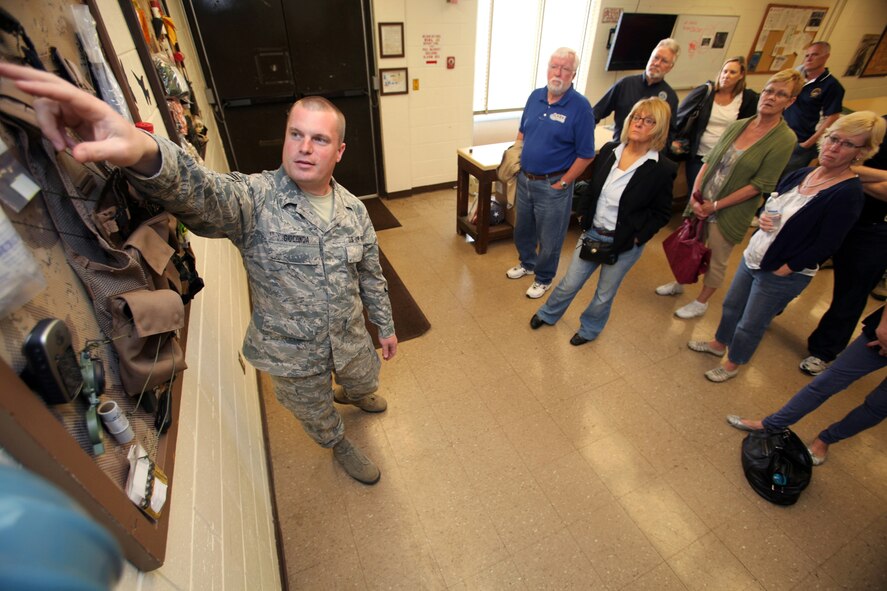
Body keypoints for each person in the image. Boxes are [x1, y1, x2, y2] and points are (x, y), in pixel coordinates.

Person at [0, 62, 397, 485]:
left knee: (362, 376)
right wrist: (142, 150)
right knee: (315, 412)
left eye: (320, 139)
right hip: (293, 355)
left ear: (339, 151)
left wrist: (386, 326)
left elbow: (371, 274)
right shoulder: (255, 199)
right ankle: (337, 442)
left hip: (350, 337)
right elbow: (205, 193)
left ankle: (352, 392)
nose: (304, 147)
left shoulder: (354, 211)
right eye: (296, 134)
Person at [688, 111, 886, 383]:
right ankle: (718, 343)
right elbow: (774, 202)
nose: (834, 147)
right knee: (732, 306)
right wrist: (767, 216)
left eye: (847, 144)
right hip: (755, 255)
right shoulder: (804, 173)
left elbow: (828, 243)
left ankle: (733, 363)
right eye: (833, 138)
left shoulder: (847, 193)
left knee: (750, 323)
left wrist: (788, 268)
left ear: (862, 152)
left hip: (782, 270)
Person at [656, 70, 800, 319]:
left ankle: (701, 302)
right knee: (690, 245)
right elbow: (708, 160)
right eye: (768, 91)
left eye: (781, 94)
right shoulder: (739, 125)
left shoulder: (784, 139)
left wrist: (716, 206)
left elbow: (760, 185)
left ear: (790, 101)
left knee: (717, 259)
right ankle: (680, 282)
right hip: (703, 200)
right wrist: (696, 193)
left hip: (730, 210)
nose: (771, 97)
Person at [529, 98, 675, 345]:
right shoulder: (610, 150)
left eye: (648, 121)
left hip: (624, 242)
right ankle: (548, 314)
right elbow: (591, 188)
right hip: (593, 233)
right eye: (636, 117)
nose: (639, 124)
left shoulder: (662, 168)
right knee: (569, 283)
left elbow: (661, 213)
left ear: (659, 128)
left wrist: (638, 237)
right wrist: (584, 216)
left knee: (604, 294)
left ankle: (589, 329)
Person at [727, 306, 887, 466]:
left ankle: (825, 440)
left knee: (878, 407)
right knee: (827, 382)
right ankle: (771, 425)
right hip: (881, 338)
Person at [506, 47, 596, 299]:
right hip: (526, 179)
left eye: (565, 69)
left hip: (554, 184)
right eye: (554, 66)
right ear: (547, 68)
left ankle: (544, 278)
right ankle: (526, 264)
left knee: (550, 237)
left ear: (573, 74)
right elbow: (523, 130)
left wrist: (564, 183)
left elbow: (586, 154)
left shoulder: (580, 107)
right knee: (522, 229)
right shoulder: (535, 97)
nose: (558, 73)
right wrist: (516, 159)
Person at [800, 115, 887, 376]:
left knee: (851, 294)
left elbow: (844, 169)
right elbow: (829, 163)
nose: (839, 147)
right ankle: (763, 314)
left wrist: (851, 171)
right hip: (832, 211)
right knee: (795, 267)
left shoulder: (871, 133)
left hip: (872, 230)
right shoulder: (872, 123)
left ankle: (823, 351)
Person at [670, 56, 758, 191]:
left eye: (732, 72)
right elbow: (680, 117)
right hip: (699, 154)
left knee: (714, 194)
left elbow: (748, 127)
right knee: (695, 193)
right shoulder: (705, 92)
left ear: (741, 75)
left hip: (725, 157)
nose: (726, 76)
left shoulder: (747, 98)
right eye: (725, 71)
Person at [593, 39, 680, 142]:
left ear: (670, 67)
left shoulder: (670, 97)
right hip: (619, 148)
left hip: (648, 154)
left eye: (664, 61)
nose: (657, 63)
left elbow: (669, 135)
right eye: (655, 57)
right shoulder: (625, 84)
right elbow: (595, 114)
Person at [782, 41, 845, 175]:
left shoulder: (831, 86)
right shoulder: (797, 78)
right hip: (782, 135)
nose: (809, 59)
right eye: (807, 55)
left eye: (814, 55)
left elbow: (832, 117)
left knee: (785, 179)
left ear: (826, 57)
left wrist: (809, 143)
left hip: (801, 142)